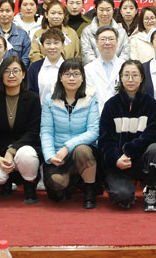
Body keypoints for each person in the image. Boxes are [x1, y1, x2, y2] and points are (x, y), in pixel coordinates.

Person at [99, 60, 156, 211]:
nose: (130, 79)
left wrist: (129, 151)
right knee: (123, 197)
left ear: (142, 78)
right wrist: (116, 159)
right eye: (126, 75)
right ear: (121, 78)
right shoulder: (110, 105)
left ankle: (151, 190)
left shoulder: (151, 104)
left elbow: (155, 134)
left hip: (141, 160)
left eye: (135, 75)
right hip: (118, 163)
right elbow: (105, 140)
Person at [0, 56, 42, 203]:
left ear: (23, 74)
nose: (11, 75)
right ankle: (7, 180)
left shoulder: (33, 98)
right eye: (7, 71)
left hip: (24, 148)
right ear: (1, 75)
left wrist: (12, 150)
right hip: (1, 153)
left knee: (26, 155)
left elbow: (33, 132)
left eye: (16, 71)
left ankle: (29, 184)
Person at [40, 58, 100, 208]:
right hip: (57, 154)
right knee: (57, 188)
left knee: (81, 150)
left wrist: (67, 147)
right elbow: (46, 131)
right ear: (60, 77)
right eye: (67, 74)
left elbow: (94, 131)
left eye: (76, 74)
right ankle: (75, 180)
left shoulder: (91, 98)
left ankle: (89, 190)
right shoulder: (50, 99)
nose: (71, 78)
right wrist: (50, 155)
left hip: (82, 152)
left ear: (82, 78)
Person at [84, 26, 126, 113]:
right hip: (96, 115)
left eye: (111, 39)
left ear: (117, 42)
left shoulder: (125, 66)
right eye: (103, 39)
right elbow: (88, 97)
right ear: (96, 43)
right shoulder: (88, 69)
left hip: (121, 114)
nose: (107, 42)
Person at [81, 0, 129, 65]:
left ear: (113, 10)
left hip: (118, 69)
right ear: (96, 10)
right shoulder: (87, 31)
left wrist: (117, 67)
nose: (105, 13)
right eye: (101, 10)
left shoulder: (121, 32)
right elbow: (86, 54)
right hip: (93, 70)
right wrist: (99, 68)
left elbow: (125, 53)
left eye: (108, 10)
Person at [27, 29, 66, 103]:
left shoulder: (70, 67)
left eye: (56, 43)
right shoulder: (34, 68)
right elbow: (29, 92)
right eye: (48, 43)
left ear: (63, 45)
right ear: (43, 46)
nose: (52, 47)